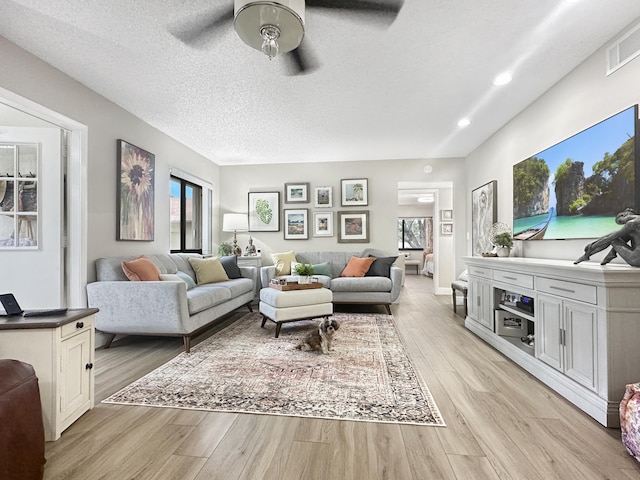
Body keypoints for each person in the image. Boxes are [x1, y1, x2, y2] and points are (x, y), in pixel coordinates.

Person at [574, 208, 640, 266]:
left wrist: (591, 246)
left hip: (636, 260)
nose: (623, 224)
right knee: (623, 235)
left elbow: (609, 238)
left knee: (613, 237)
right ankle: (611, 254)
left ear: (624, 215)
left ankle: (587, 255)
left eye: (620, 221)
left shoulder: (631, 223)